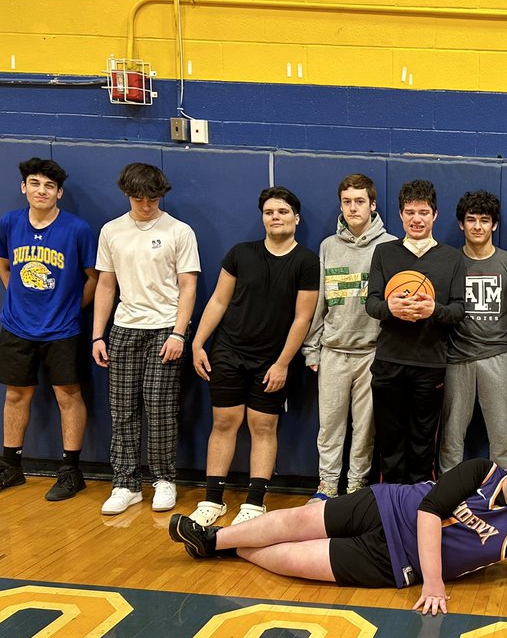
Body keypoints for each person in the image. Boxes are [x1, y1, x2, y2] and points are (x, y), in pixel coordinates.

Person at [168, 443, 507, 620]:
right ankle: (211, 539)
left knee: (297, 559)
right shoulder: (481, 470)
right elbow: (429, 513)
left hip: (395, 562)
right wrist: (435, 586)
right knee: (299, 522)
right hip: (386, 505)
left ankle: (230, 550)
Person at [189, 187, 319, 526]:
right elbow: (218, 301)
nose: (275, 216)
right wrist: (198, 343)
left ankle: (255, 501)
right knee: (223, 422)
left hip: (271, 360)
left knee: (263, 425)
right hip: (228, 352)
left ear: (296, 218)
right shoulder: (240, 254)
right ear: (263, 218)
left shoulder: (306, 262)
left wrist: (282, 363)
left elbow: (302, 318)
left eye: (283, 211)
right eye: (269, 212)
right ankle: (212, 499)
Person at [0, 157, 97, 501]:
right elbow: (3, 264)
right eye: (35, 183)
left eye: (49, 186)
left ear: (59, 192)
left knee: (68, 396)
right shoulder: (9, 223)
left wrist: (72, 308)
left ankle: (72, 471)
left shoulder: (77, 229)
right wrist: (18, 299)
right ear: (23, 187)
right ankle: (10, 467)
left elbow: (93, 278)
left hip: (62, 328)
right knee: (16, 394)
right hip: (17, 326)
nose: (41, 191)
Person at [91, 163, 200, 515]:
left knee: (160, 409)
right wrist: (98, 335)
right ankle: (125, 483)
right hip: (124, 328)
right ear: (127, 194)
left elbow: (188, 286)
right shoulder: (111, 231)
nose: (146, 205)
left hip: (166, 328)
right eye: (139, 199)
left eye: (153, 199)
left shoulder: (179, 231)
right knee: (122, 409)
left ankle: (164, 480)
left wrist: (180, 333)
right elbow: (106, 284)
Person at [364, 179, 466, 483]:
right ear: (400, 215)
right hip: (390, 360)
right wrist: (390, 308)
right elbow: (371, 303)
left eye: (423, 212)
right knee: (389, 438)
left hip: (429, 363)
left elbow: (459, 310)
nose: (416, 219)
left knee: (422, 441)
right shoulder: (384, 253)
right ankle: (388, 502)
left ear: (435, 215)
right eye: (410, 212)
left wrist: (433, 310)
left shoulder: (451, 257)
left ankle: (420, 504)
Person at [301, 174, 396, 499]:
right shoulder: (328, 246)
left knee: (365, 429)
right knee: (330, 426)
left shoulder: (389, 246)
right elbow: (319, 303)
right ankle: (327, 486)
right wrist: (311, 348)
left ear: (372, 204)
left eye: (359, 201)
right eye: (347, 202)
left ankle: (356, 487)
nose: (353, 208)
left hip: (372, 353)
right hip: (333, 351)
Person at [439, 190, 507, 474]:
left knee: (501, 440)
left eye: (484, 220)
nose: (477, 226)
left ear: (493, 225)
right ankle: (447, 499)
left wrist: (506, 342)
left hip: (498, 357)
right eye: (470, 220)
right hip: (457, 359)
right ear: (461, 224)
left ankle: (502, 500)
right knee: (451, 438)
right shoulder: (448, 261)